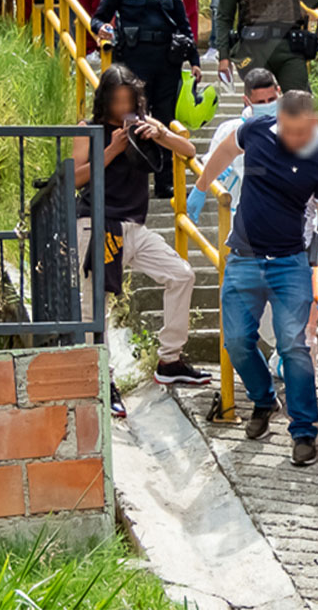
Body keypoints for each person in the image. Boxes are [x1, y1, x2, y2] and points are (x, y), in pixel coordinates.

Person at [192, 90, 318, 466]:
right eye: (288, 131)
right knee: (237, 342)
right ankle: (263, 400)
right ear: (278, 120)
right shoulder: (257, 131)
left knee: (294, 346)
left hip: (290, 262)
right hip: (243, 257)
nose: (294, 139)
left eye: (302, 132)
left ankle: (303, 431)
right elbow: (225, 150)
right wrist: (200, 187)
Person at [74, 65, 211, 418]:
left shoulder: (144, 125)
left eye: (129, 100)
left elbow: (188, 149)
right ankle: (102, 381)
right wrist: (112, 150)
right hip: (97, 223)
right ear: (104, 100)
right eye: (116, 100)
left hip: (135, 226)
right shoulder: (88, 129)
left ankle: (169, 360)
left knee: (181, 274)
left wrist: (160, 133)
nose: (123, 107)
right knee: (95, 308)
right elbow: (74, 178)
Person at [187, 68, 318, 366]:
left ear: (280, 94)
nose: (267, 105)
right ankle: (279, 355)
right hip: (249, 235)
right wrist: (203, 187)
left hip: (298, 232)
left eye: (271, 99)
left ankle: (295, 362)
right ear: (246, 100)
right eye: (260, 101)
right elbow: (214, 166)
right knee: (259, 312)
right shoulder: (232, 131)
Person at [90, 0, 201, 199]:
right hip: (133, 60)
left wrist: (195, 61)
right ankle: (130, 179)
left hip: (166, 62)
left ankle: (165, 182)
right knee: (133, 118)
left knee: (164, 120)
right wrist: (102, 29)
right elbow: (98, 18)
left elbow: (184, 26)